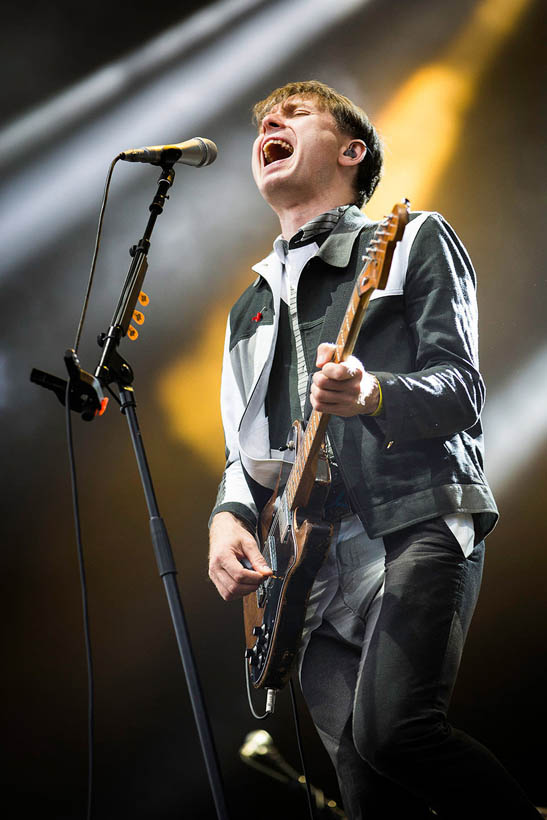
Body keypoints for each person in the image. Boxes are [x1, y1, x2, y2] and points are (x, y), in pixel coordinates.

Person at [208, 80, 540, 819]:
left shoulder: (410, 238)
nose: (271, 120)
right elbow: (247, 454)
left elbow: (462, 387)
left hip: (412, 519)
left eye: (294, 114)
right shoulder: (248, 310)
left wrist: (372, 393)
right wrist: (228, 517)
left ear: (351, 152)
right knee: (366, 795)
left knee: (397, 735)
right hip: (307, 577)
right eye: (265, 117)